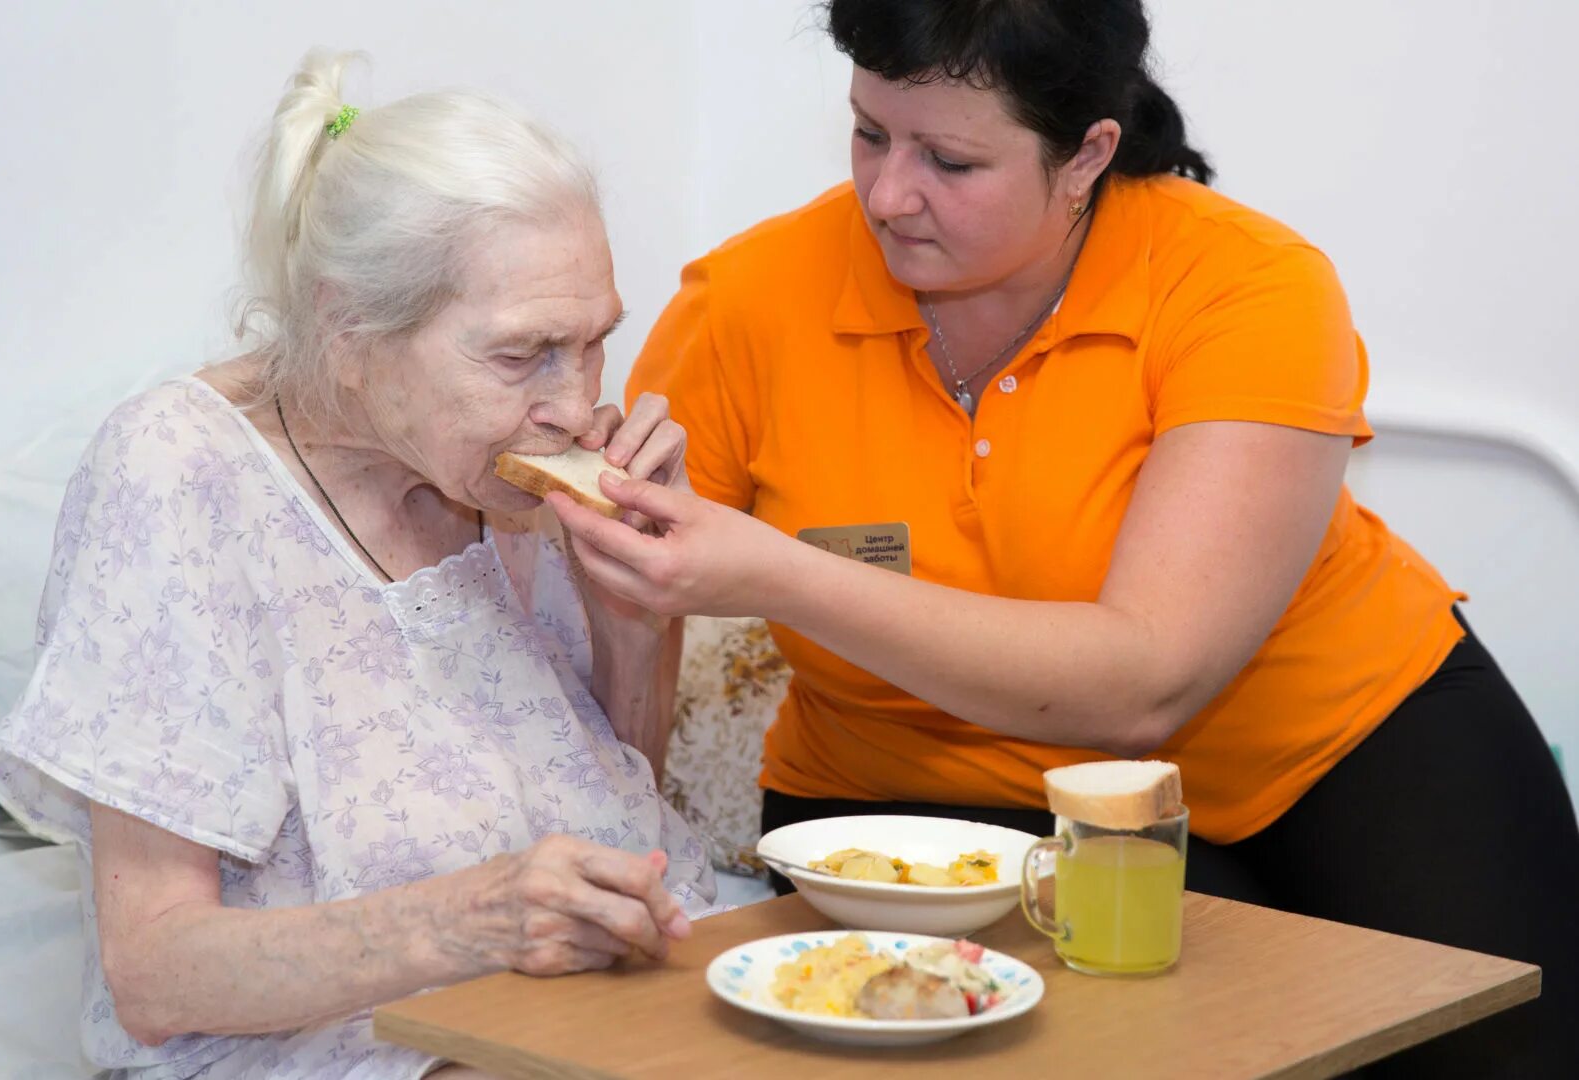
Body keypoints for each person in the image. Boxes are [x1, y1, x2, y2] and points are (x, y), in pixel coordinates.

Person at [548, 2, 1579, 1075]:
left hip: (1328, 744)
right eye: (869, 133)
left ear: (1088, 152)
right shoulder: (751, 302)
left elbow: (1147, 681)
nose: (888, 195)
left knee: (1493, 1044)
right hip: (925, 783)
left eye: (950, 159)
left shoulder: (1246, 287)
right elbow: (624, 593)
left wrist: (777, 573)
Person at [0, 50, 714, 1079]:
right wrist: (479, 919)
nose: (573, 400)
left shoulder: (499, 475)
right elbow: (154, 974)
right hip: (346, 1046)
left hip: (598, 998)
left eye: (594, 343)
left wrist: (637, 613)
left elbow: (621, 803)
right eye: (522, 354)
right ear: (348, 325)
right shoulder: (177, 473)